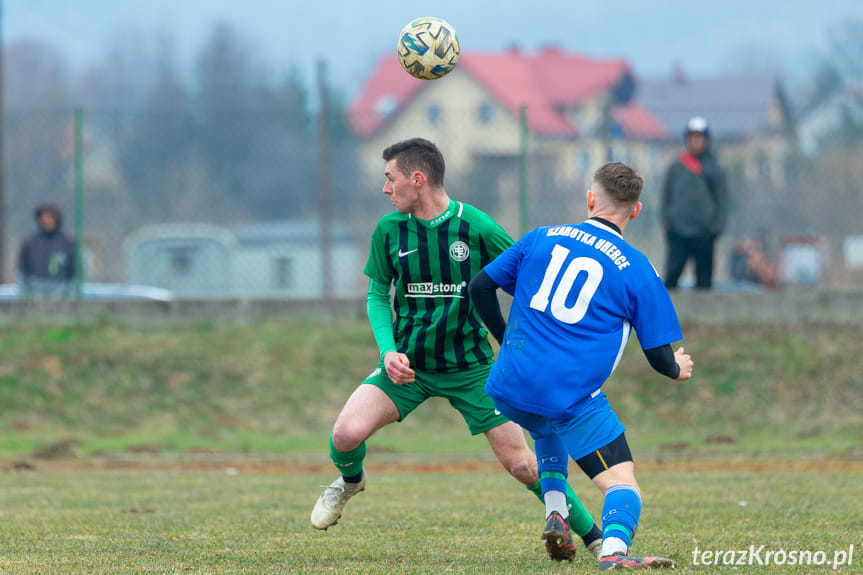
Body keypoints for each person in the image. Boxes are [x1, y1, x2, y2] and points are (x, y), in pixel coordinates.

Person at [310, 137, 603, 559]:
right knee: (344, 434)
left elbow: (529, 285)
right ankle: (351, 482)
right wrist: (388, 351)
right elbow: (377, 294)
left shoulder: (478, 227)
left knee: (522, 465)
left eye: (390, 179)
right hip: (409, 365)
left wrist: (540, 341)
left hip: (473, 369)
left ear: (418, 178)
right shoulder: (389, 230)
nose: (385, 189)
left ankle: (593, 539)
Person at [469, 162, 694, 569]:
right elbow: (660, 357)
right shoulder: (638, 269)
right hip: (568, 395)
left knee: (543, 423)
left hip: (511, 384)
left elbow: (480, 287)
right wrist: (678, 368)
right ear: (636, 211)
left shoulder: (540, 237)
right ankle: (613, 555)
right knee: (623, 486)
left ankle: (555, 509)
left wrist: (506, 343)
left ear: (590, 199)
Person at [661, 116, 729, 290]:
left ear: (706, 140)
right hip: (679, 232)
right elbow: (666, 197)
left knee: (704, 281)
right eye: (692, 138)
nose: (695, 142)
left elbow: (722, 199)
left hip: (704, 233)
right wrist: (668, 223)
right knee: (671, 278)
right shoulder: (676, 167)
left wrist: (716, 227)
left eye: (699, 138)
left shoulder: (714, 169)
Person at [17, 200, 77, 300]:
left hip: (61, 291)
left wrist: (70, 296)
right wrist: (25, 296)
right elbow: (22, 272)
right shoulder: (29, 242)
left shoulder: (68, 242)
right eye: (44, 217)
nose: (47, 220)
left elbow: (76, 272)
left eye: (50, 217)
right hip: (36, 291)